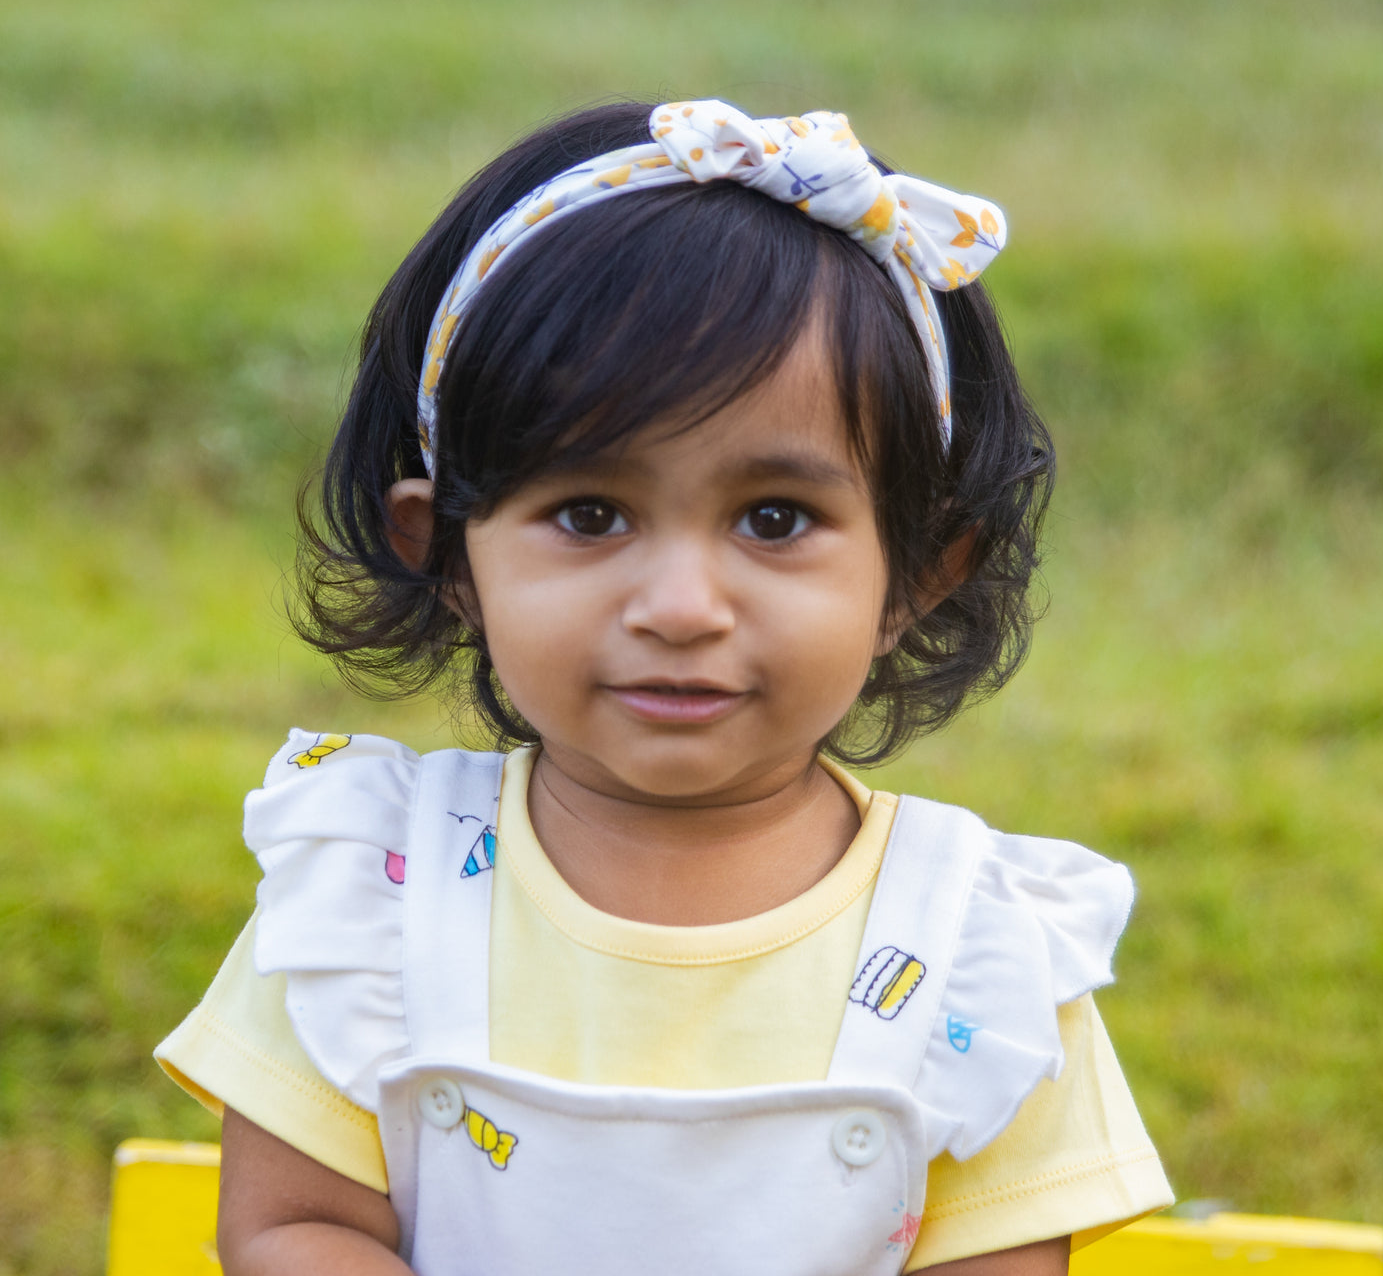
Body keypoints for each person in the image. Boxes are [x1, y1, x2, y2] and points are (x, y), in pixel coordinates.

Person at [156, 99, 1173, 1275]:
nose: (681, 603)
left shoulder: (978, 949)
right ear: (448, 554)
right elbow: (297, 1226)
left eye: (774, 518)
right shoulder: (369, 892)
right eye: (588, 514)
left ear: (917, 570)